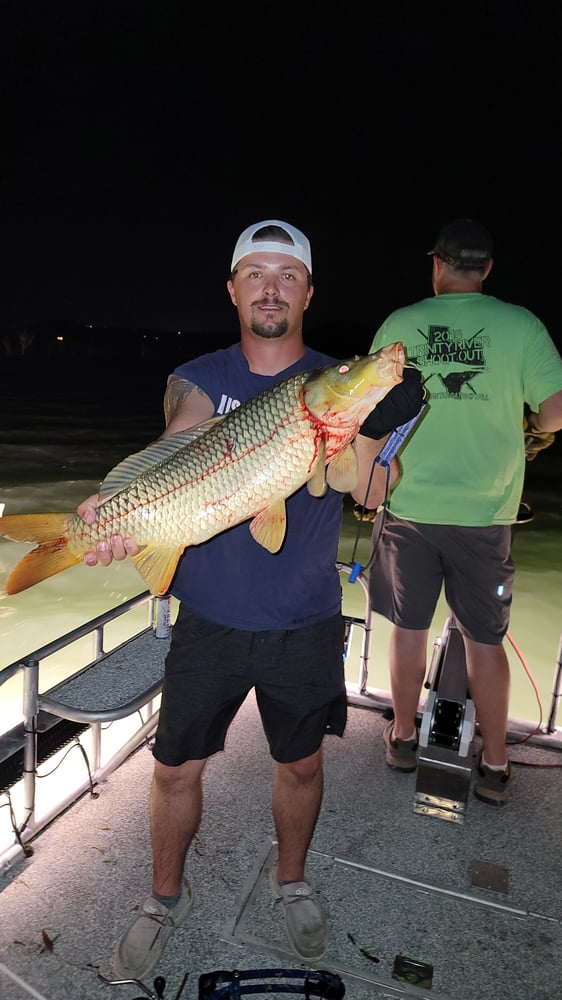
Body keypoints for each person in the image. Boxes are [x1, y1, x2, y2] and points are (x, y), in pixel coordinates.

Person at [76, 219, 424, 978]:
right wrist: (119, 509)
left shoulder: (340, 380)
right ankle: (163, 898)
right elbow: (183, 432)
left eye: (288, 275)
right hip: (210, 619)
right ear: (233, 290)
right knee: (173, 769)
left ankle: (290, 882)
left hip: (304, 620)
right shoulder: (200, 375)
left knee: (299, 766)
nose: (272, 287)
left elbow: (368, 491)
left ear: (307, 292)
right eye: (256, 274)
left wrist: (376, 425)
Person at [365, 218, 562, 806]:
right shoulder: (521, 325)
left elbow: (368, 410)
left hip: (407, 508)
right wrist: (529, 426)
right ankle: (495, 766)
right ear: (487, 269)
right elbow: (554, 412)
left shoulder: (401, 324)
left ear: (437, 264)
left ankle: (403, 737)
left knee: (408, 628)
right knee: (484, 642)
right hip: (487, 515)